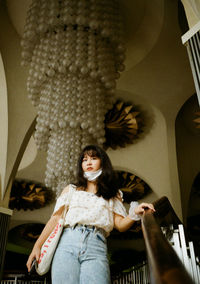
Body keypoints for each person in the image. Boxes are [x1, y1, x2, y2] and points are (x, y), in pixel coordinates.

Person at [27, 144, 155, 283]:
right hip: (67, 244)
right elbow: (55, 218)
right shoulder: (71, 190)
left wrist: (134, 213)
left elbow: (120, 225)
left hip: (96, 245)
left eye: (93, 158)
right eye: (84, 159)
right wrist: (37, 246)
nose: (88, 162)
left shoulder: (113, 195)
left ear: (102, 163)